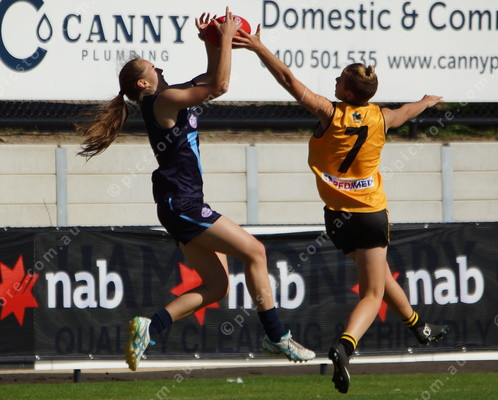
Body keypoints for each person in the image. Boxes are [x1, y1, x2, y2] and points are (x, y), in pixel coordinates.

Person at [76, 8, 315, 371]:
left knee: (217, 286)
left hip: (180, 202)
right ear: (142, 84)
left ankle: (150, 327)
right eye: (151, 67)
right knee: (255, 251)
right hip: (181, 202)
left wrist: (211, 42)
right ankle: (276, 336)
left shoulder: (169, 96)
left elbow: (209, 78)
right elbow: (220, 86)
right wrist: (228, 37)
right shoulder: (161, 102)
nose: (158, 66)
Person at [235, 27, 449, 394]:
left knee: (380, 277)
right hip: (371, 215)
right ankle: (345, 348)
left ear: (348, 93)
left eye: (339, 79)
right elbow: (407, 111)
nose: (335, 80)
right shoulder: (382, 118)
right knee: (372, 294)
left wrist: (258, 47)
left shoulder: (329, 113)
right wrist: (427, 102)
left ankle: (419, 327)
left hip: (337, 218)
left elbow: (288, 79)